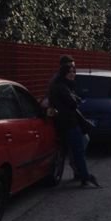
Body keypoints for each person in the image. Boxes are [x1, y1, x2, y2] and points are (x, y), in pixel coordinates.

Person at [47, 58, 100, 188]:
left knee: (76, 149)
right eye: (69, 71)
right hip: (69, 123)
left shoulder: (60, 85)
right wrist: (75, 98)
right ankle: (85, 176)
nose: (72, 74)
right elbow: (72, 103)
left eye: (73, 71)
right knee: (78, 150)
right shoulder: (62, 87)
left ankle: (82, 174)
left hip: (66, 123)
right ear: (63, 73)